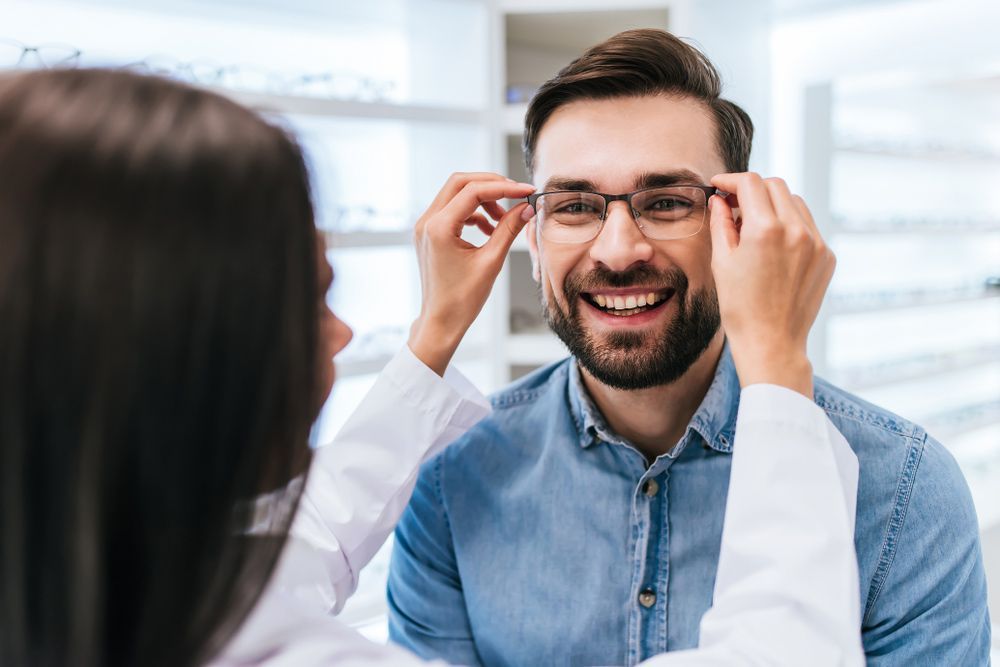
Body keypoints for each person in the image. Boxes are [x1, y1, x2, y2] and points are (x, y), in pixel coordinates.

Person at [0, 67, 859, 667]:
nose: (338, 337)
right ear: (180, 358)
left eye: (666, 201)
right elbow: (787, 652)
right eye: (308, 299)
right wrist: (778, 365)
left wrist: (436, 330)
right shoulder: (455, 493)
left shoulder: (101, 589)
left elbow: (295, 551)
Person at [387, 28, 991, 666]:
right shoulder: (449, 482)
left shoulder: (903, 490)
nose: (619, 251)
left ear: (740, 224)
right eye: (575, 206)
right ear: (533, 242)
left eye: (668, 202)